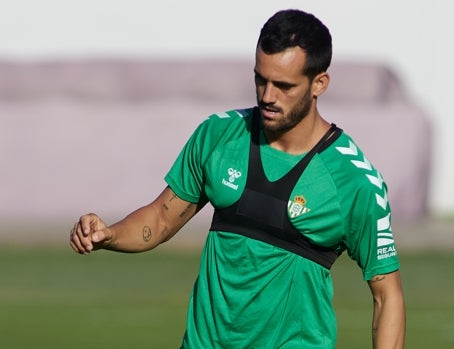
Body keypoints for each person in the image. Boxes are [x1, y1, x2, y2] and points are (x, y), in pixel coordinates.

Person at [69, 9, 405, 349]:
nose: (268, 96)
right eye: (261, 79)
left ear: (319, 83)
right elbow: (159, 219)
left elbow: (386, 296)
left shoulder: (354, 181)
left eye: (284, 86)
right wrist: (108, 234)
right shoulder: (219, 136)